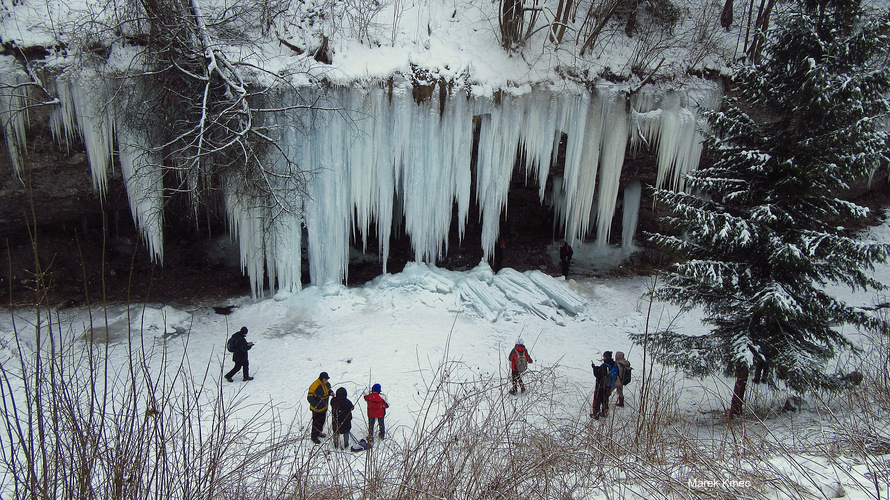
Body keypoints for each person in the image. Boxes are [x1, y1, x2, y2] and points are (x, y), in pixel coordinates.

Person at [307, 372, 332, 444]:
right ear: (322, 378)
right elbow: (310, 398)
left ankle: (319, 433)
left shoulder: (326, 384)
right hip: (317, 410)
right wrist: (317, 406)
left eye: (327, 379)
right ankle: (314, 437)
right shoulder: (314, 386)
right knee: (316, 423)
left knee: (322, 422)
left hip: (324, 408)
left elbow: (328, 390)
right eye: (325, 379)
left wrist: (331, 393)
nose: (326, 381)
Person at [591, 351, 618, 419]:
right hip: (609, 385)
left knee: (598, 399)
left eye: (604, 356)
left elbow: (598, 375)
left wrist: (594, 369)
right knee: (605, 399)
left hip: (601, 385)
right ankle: (604, 413)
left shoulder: (604, 366)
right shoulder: (613, 364)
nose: (603, 358)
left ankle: (596, 414)